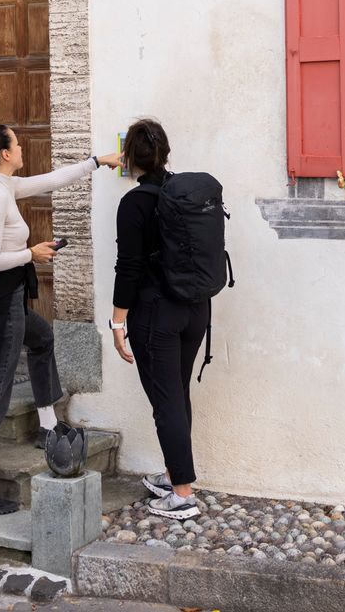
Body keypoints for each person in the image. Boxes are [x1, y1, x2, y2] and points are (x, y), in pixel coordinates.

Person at [0, 123, 119, 517]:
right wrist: (33, 254)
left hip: (8, 299)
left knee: (42, 338)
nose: (22, 146)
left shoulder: (1, 185)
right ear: (5, 153)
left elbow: (48, 180)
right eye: (17, 142)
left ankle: (47, 426)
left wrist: (97, 161)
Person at [109, 117, 210, 521]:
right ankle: (173, 475)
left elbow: (128, 267)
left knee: (166, 400)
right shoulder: (183, 193)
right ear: (164, 153)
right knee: (176, 394)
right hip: (195, 309)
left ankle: (182, 495)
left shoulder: (135, 203)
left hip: (156, 315)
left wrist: (118, 323)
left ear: (130, 158)